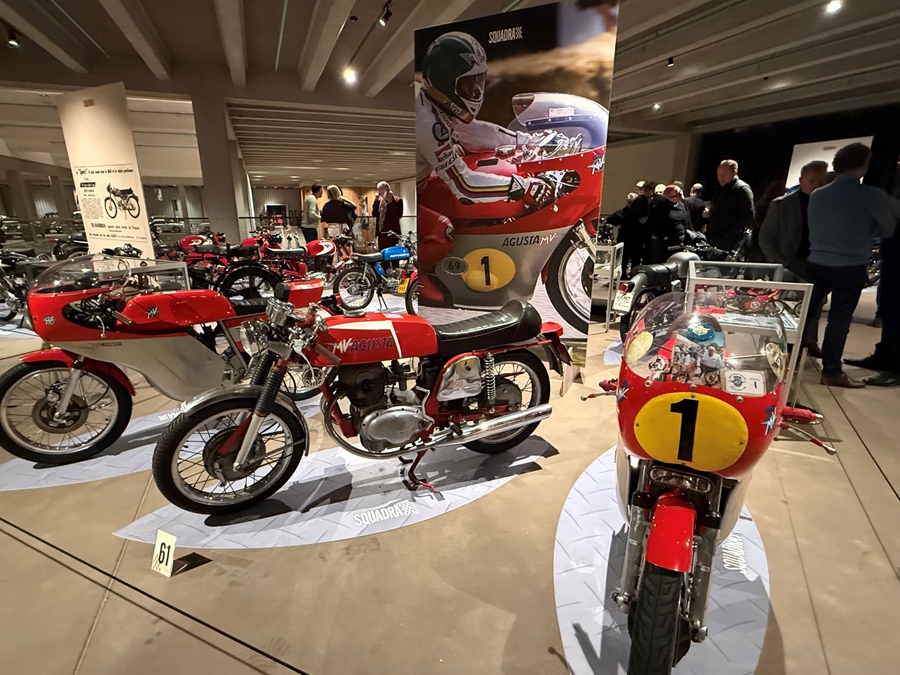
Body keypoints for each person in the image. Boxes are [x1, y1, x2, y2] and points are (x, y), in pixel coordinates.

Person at [415, 31, 555, 303]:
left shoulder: (436, 104)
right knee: (444, 232)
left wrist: (525, 140)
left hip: (426, 177)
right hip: (418, 188)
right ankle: (419, 274)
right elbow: (465, 185)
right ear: (447, 80)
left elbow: (473, 132)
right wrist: (522, 186)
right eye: (468, 83)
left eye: (477, 81)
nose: (475, 91)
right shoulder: (426, 123)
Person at [806, 142, 897, 388]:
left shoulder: (818, 195)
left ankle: (784, 361)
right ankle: (831, 371)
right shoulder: (872, 195)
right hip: (850, 265)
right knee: (839, 319)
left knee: (804, 315)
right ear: (864, 166)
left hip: (817, 263)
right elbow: (887, 229)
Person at [844, 197, 900, 386]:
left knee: (897, 315)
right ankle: (884, 355)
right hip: (891, 259)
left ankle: (896, 367)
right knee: (888, 311)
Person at [759, 161, 828, 280]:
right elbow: (765, 237)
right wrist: (778, 261)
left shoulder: (829, 206)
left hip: (819, 265)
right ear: (801, 180)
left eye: (821, 183)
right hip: (789, 264)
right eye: (812, 181)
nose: (817, 186)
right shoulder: (781, 205)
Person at [706, 160, 754, 251]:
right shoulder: (718, 189)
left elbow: (748, 216)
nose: (720, 178)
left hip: (731, 241)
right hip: (714, 237)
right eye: (719, 174)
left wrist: (729, 234)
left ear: (734, 172)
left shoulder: (742, 189)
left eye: (724, 174)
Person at [646, 184, 689, 263]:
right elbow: (652, 223)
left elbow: (686, 222)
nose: (680, 196)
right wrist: (663, 236)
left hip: (679, 241)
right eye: (677, 195)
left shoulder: (682, 205)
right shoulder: (660, 206)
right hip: (665, 243)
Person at [373, 181, 403, 250]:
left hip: (391, 233)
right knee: (382, 253)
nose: (380, 195)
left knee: (392, 253)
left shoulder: (397, 200)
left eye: (382, 193)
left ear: (387, 191)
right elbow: (374, 213)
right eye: (379, 193)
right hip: (381, 233)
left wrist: (390, 202)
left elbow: (398, 214)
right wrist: (376, 201)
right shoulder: (380, 201)